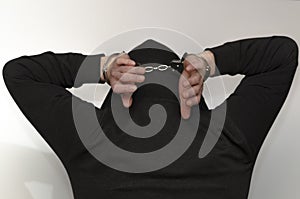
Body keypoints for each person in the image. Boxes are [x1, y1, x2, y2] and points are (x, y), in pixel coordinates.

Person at [2, 35, 298, 199]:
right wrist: (208, 62)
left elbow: (20, 74)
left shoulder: (91, 141)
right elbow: (282, 54)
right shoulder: (227, 137)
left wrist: (102, 69)